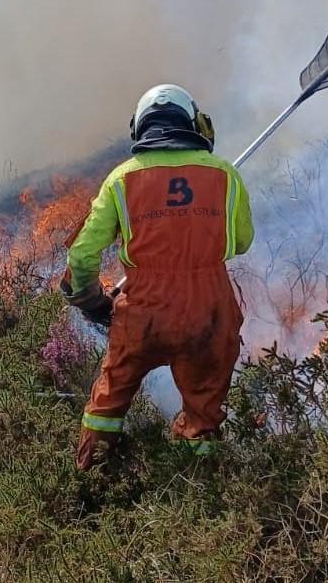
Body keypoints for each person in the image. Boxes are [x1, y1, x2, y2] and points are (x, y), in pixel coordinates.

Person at [62, 84, 253, 469]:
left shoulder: (121, 179)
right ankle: (198, 488)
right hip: (208, 310)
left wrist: (90, 298)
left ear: (140, 127)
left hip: (143, 310)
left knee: (109, 400)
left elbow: (82, 253)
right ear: (191, 123)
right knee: (203, 414)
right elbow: (241, 243)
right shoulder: (225, 174)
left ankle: (92, 480)